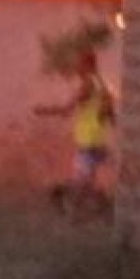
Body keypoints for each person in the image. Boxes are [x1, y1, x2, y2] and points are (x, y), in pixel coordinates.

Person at [33, 49, 115, 214]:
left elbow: (67, 108)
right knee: (90, 176)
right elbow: (108, 110)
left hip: (88, 138)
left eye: (80, 65)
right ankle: (98, 204)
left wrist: (45, 111)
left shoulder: (87, 85)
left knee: (84, 179)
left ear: (87, 66)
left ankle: (62, 194)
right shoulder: (102, 85)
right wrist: (111, 122)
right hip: (97, 136)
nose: (77, 69)